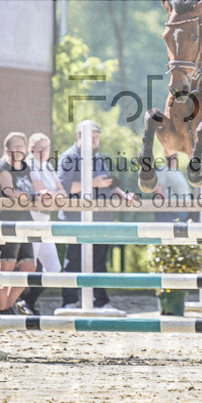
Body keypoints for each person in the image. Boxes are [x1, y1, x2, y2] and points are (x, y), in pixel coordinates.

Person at [56, 120, 135, 310]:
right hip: (76, 219)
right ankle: (69, 302)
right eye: (92, 137)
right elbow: (63, 188)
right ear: (79, 136)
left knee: (99, 262)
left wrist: (123, 195)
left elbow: (109, 183)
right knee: (73, 261)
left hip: (101, 218)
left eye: (97, 137)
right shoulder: (68, 157)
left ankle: (100, 301)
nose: (95, 141)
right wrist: (92, 183)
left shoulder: (98, 157)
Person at [16, 132, 66, 314]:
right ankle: (14, 302)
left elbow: (62, 192)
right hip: (32, 217)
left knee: (54, 268)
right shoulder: (29, 165)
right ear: (32, 150)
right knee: (29, 265)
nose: (45, 152)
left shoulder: (48, 167)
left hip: (45, 219)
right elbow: (40, 190)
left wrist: (52, 194)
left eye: (47, 148)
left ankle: (27, 300)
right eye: (41, 149)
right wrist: (53, 194)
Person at [0, 132, 37, 316]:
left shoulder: (26, 168)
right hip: (8, 221)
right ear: (7, 149)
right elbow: (9, 191)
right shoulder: (3, 167)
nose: (19, 150)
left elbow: (34, 190)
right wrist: (31, 197)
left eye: (22, 146)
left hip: (25, 220)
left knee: (29, 268)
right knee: (7, 268)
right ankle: (2, 310)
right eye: (16, 146)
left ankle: (8, 306)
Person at [154, 154, 192, 222]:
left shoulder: (177, 171)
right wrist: (170, 207)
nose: (172, 158)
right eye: (170, 156)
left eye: (174, 156)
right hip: (170, 213)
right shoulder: (163, 170)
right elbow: (158, 191)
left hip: (183, 211)